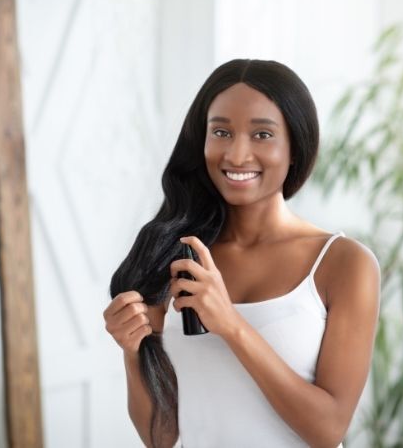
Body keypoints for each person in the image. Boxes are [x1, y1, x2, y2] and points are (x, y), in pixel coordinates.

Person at [103, 59, 380, 448]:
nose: (236, 155)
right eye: (221, 132)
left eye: (262, 134)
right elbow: (162, 438)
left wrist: (231, 324)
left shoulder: (344, 264)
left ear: (295, 147)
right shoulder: (176, 257)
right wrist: (133, 352)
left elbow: (327, 430)